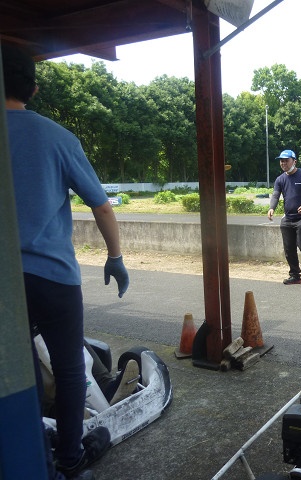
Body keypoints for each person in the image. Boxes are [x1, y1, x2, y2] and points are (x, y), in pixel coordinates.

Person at [3, 44, 130, 478]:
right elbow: (102, 205)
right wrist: (115, 257)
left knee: (18, 368)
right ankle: (71, 458)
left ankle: (34, 452)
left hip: (4, 281)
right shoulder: (57, 137)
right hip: (54, 276)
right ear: (34, 89)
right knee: (69, 367)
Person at [267, 149, 301, 285]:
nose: (283, 163)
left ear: (294, 161)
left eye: (286, 161)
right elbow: (276, 195)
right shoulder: (280, 179)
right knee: (289, 249)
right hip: (288, 218)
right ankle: (295, 276)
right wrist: (271, 208)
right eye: (281, 161)